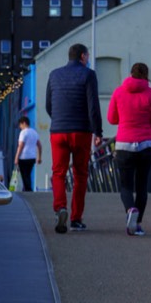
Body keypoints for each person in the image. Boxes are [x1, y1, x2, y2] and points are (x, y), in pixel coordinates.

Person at [45, 43, 103, 233]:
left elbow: (48, 105)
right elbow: (93, 106)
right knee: (80, 174)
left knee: (58, 173)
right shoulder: (88, 74)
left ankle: (60, 208)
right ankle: (76, 218)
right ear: (83, 57)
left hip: (58, 130)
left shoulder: (54, 74)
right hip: (81, 131)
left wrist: (59, 120)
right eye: (87, 56)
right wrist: (98, 132)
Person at [107, 62, 151, 236]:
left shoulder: (118, 92)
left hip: (124, 144)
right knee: (141, 185)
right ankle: (137, 224)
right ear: (147, 75)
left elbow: (111, 118)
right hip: (146, 144)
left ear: (130, 74)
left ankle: (130, 210)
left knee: (125, 185)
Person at [12, 116, 41, 191]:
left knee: (24, 175)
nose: (20, 127)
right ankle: (28, 189)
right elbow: (39, 145)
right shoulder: (34, 132)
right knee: (27, 174)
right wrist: (39, 157)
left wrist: (16, 157)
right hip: (32, 157)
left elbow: (20, 146)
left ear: (24, 123)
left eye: (20, 125)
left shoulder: (23, 132)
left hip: (23, 157)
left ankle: (28, 190)